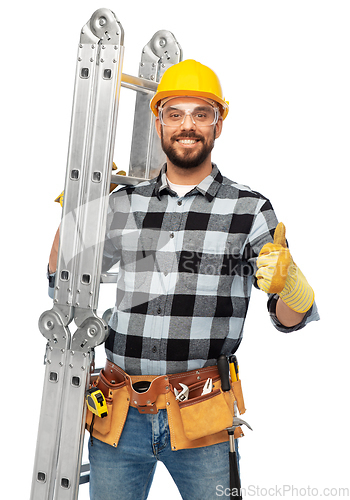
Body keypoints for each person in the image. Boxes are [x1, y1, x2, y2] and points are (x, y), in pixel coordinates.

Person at [48, 59, 319, 499]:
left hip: (203, 418)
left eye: (201, 114)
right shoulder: (125, 203)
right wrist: (76, 210)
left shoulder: (249, 210)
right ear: (158, 122)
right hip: (117, 415)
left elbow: (290, 318)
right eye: (174, 113)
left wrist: (292, 289)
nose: (186, 126)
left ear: (218, 124)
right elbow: (63, 281)